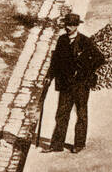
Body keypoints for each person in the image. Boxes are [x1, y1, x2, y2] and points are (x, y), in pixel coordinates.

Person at [44, 12, 105, 153]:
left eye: (71, 25)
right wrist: (49, 75)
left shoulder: (85, 41)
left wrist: (85, 71)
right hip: (65, 84)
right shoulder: (62, 40)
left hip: (81, 86)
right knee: (61, 114)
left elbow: (100, 58)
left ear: (77, 26)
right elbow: (55, 62)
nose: (68, 27)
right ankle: (56, 144)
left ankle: (79, 144)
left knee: (81, 115)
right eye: (67, 24)